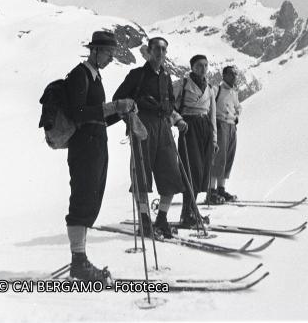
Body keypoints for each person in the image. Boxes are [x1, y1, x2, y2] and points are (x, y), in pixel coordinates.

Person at [62, 30, 135, 281]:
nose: (111, 57)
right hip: (84, 147)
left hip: (94, 146)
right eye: (107, 52)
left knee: (90, 198)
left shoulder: (93, 76)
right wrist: (114, 106)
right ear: (94, 51)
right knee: (83, 198)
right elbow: (79, 113)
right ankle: (78, 262)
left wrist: (119, 112)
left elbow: (97, 117)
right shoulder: (80, 75)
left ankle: (80, 259)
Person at [114, 37, 187, 238]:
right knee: (141, 175)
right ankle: (145, 220)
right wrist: (132, 118)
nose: (160, 53)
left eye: (164, 49)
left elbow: (171, 103)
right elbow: (118, 100)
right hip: (142, 127)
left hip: (164, 127)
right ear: (149, 51)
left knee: (171, 174)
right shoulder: (137, 75)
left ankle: (161, 218)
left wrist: (170, 112)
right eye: (157, 49)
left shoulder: (166, 77)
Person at [173, 55, 218, 217]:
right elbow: (169, 105)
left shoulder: (210, 88)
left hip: (205, 127)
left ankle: (192, 208)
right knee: (191, 168)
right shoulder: (182, 84)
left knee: (202, 170)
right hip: (189, 127)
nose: (203, 68)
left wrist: (214, 139)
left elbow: (212, 115)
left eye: (205, 65)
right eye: (199, 65)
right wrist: (177, 120)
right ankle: (187, 211)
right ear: (192, 67)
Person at [208, 65, 243, 204]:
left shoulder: (234, 92)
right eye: (231, 74)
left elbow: (238, 106)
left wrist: (236, 116)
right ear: (224, 75)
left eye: (235, 74)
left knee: (228, 157)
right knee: (218, 158)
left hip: (231, 126)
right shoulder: (217, 89)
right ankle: (211, 191)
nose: (234, 76)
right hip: (220, 124)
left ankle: (221, 189)